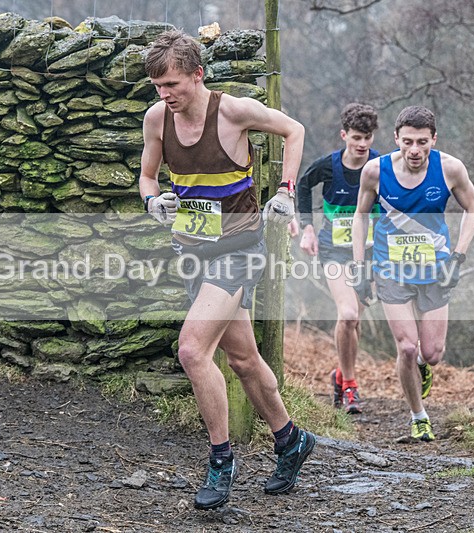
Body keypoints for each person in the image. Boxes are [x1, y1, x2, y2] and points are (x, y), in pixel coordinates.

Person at [139, 30, 316, 511]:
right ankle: (291, 440)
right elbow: (148, 177)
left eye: (173, 84)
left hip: (239, 250)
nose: (165, 94)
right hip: (193, 251)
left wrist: (286, 190)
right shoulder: (157, 119)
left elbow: (294, 129)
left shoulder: (233, 112)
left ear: (198, 75)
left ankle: (221, 460)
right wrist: (154, 202)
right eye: (158, 86)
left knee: (192, 350)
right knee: (242, 359)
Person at [351, 105, 474, 442]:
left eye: (422, 142)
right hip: (390, 268)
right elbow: (360, 217)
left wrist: (458, 257)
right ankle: (418, 416)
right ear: (396, 138)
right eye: (407, 141)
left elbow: (473, 208)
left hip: (435, 268)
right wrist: (359, 267)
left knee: (432, 354)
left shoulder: (450, 169)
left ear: (434, 139)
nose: (414, 150)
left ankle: (422, 364)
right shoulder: (375, 171)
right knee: (406, 347)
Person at [295, 103, 379, 414]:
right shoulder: (328, 166)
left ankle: (340, 374)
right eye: (356, 137)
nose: (362, 144)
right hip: (333, 250)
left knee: (354, 320)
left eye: (367, 137)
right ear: (344, 135)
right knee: (348, 314)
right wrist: (308, 228)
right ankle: (351, 386)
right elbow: (303, 185)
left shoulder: (381, 166)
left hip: (368, 253)